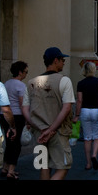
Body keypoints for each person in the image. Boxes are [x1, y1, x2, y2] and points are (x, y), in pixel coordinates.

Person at [22, 47, 76, 180]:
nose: (64, 63)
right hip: (58, 132)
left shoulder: (30, 83)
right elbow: (67, 107)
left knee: (44, 166)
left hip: (38, 133)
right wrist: (51, 130)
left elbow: (25, 109)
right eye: (62, 60)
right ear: (55, 60)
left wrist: (37, 126)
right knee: (63, 167)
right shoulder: (64, 80)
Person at [73, 62, 98, 171]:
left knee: (87, 138)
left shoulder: (80, 83)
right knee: (97, 136)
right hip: (97, 110)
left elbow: (79, 100)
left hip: (85, 111)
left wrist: (76, 115)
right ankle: (94, 155)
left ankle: (88, 163)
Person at [0, 61, 29, 180]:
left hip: (4, 115)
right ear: (20, 72)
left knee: (9, 143)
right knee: (16, 144)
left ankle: (5, 167)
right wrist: (27, 119)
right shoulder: (21, 85)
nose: (26, 74)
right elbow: (23, 104)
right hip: (17, 116)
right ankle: (11, 170)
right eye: (26, 72)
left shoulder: (6, 83)